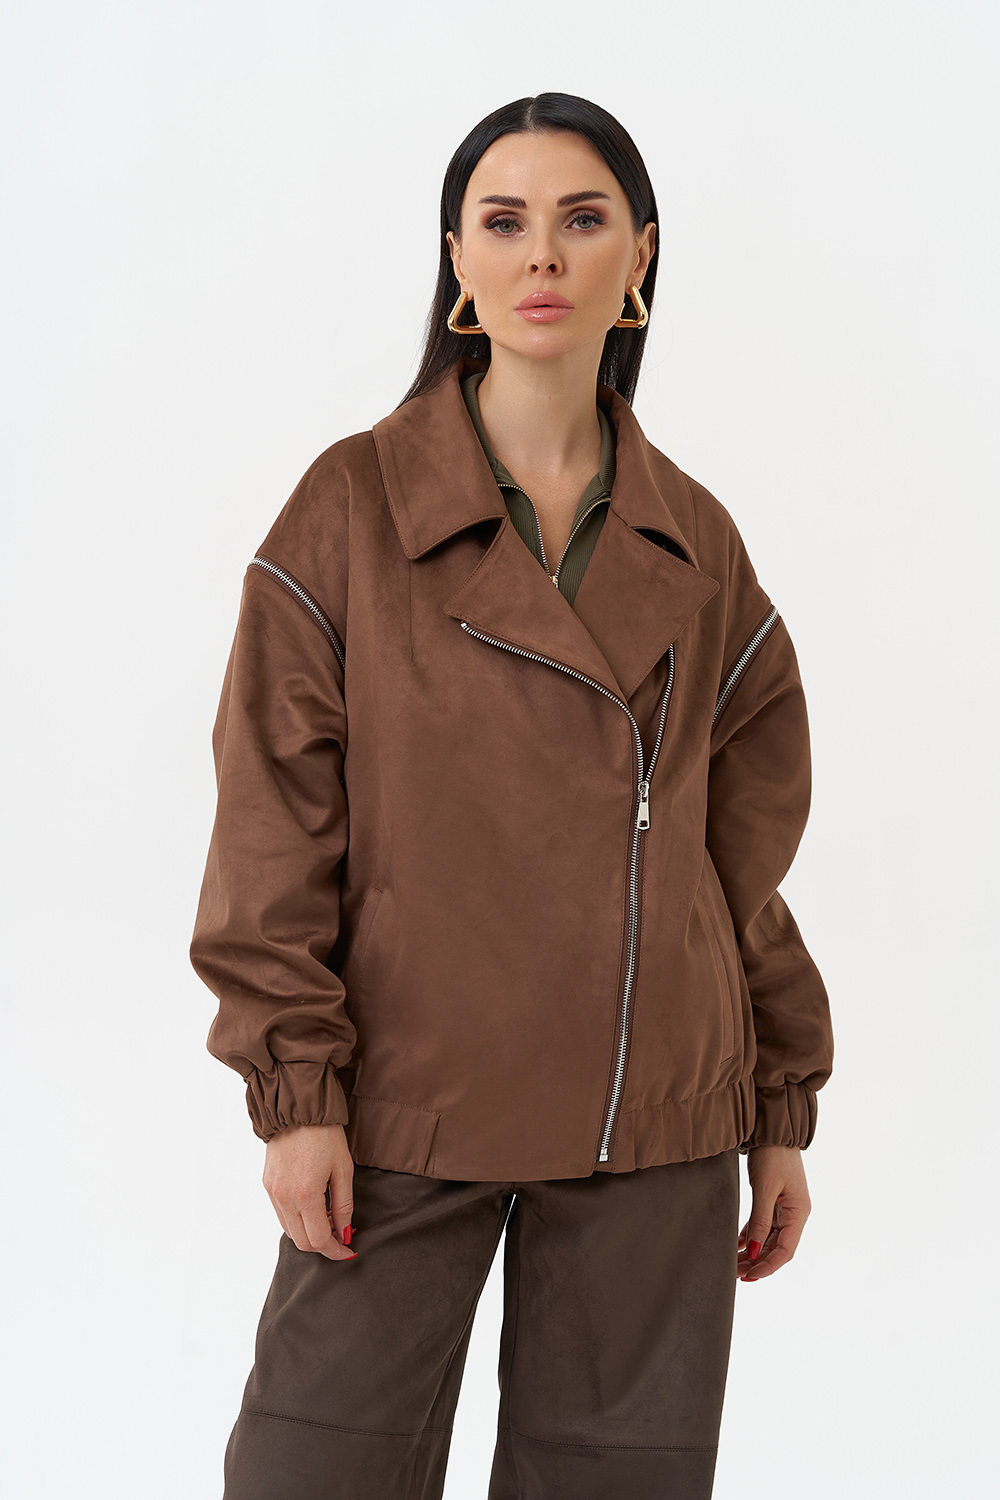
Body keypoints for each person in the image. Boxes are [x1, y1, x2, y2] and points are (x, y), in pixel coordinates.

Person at [190, 92, 834, 1500]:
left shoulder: (696, 540)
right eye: (505, 220)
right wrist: (296, 1092)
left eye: (581, 219)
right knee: (311, 1471)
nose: (543, 252)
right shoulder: (349, 508)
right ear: (459, 262)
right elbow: (271, 821)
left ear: (638, 257)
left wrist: (776, 1102)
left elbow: (736, 861)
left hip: (654, 1113)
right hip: (403, 1099)